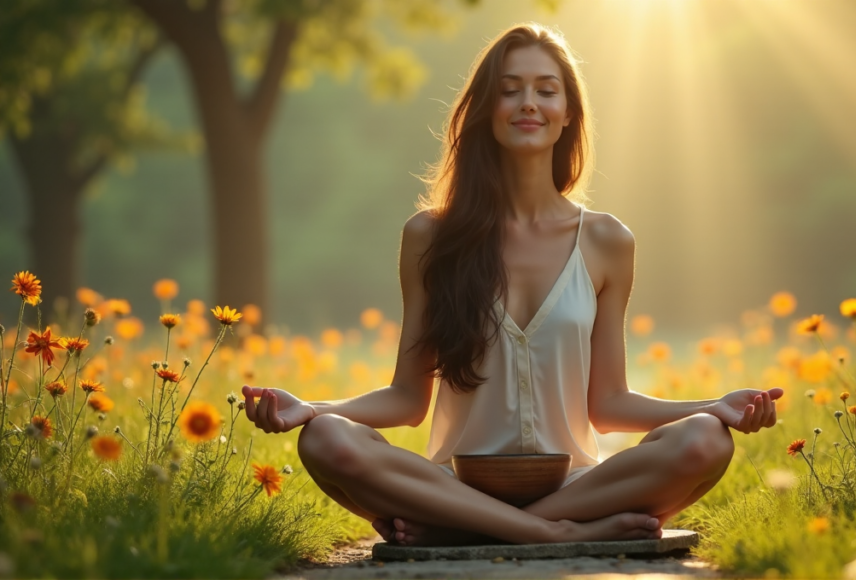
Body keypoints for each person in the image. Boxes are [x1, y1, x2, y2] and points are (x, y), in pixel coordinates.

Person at [240, 22, 783, 547]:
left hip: (574, 486)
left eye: (546, 90)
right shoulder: (430, 236)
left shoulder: (607, 240)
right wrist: (309, 407)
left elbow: (610, 404)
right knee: (326, 438)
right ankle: (550, 534)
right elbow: (408, 400)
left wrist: (716, 405)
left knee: (705, 439)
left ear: (567, 113)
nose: (529, 102)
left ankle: (466, 531)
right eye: (510, 90)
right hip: (455, 484)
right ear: (486, 110)